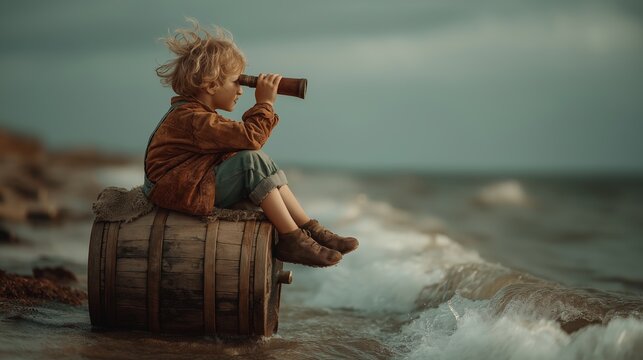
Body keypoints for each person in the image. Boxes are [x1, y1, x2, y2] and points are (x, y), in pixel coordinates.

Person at [143, 19, 358, 267]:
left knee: (259, 161)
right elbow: (252, 138)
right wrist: (265, 103)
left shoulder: (196, 116)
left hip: (186, 184)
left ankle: (310, 229)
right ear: (211, 83)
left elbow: (246, 143)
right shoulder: (193, 119)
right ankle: (292, 239)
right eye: (238, 81)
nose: (241, 90)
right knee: (252, 161)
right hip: (179, 190)